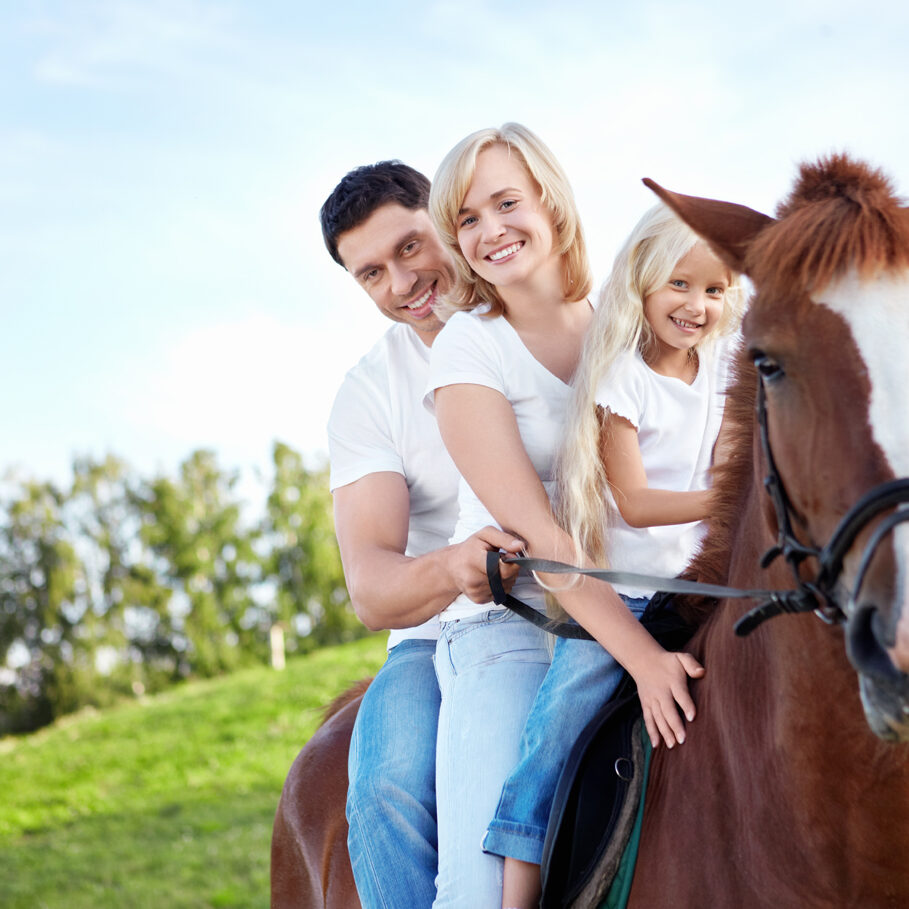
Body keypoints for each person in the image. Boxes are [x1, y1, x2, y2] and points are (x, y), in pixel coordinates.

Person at [425, 124, 732, 908]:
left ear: (550, 205)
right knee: (474, 887)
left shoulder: (630, 319)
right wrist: (640, 654)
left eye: (505, 202)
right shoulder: (469, 347)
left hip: (651, 586)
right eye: (467, 218)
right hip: (520, 617)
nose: (491, 229)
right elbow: (548, 541)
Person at [320, 161, 524, 909]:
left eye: (408, 247)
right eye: (370, 272)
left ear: (442, 217)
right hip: (434, 631)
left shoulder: (533, 310)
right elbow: (372, 585)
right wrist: (455, 566)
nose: (400, 283)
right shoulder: (370, 391)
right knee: (384, 783)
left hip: (581, 593)